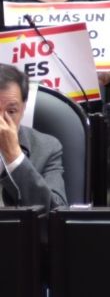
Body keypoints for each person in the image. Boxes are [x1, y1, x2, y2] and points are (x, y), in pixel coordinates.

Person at [0, 64, 66, 210]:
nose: (2, 122)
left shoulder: (48, 148)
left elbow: (57, 213)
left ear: (23, 109)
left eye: (11, 111)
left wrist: (15, 158)